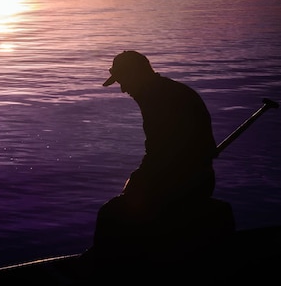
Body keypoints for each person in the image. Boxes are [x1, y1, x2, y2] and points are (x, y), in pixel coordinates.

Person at [91, 50, 226, 261]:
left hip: (186, 182)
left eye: (123, 81)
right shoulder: (166, 91)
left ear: (136, 74)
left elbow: (161, 155)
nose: (124, 89)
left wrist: (136, 181)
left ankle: (102, 267)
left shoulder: (158, 100)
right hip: (196, 177)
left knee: (110, 213)